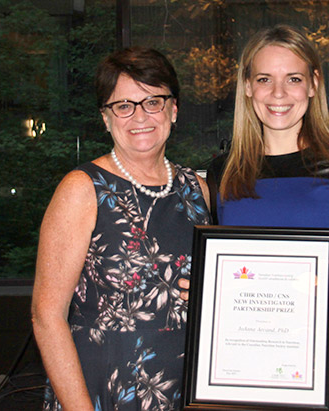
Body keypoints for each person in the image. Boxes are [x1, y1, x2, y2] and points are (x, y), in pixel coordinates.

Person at [206, 25, 329, 410]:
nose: (278, 94)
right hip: (245, 374)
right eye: (264, 79)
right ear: (247, 87)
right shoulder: (223, 172)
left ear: (313, 84)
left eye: (293, 79)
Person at [31, 47, 210, 410]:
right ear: (106, 118)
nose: (139, 116)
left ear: (173, 110)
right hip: (104, 389)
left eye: (152, 102)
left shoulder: (198, 190)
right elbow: (46, 316)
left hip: (187, 388)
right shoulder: (82, 189)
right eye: (123, 105)